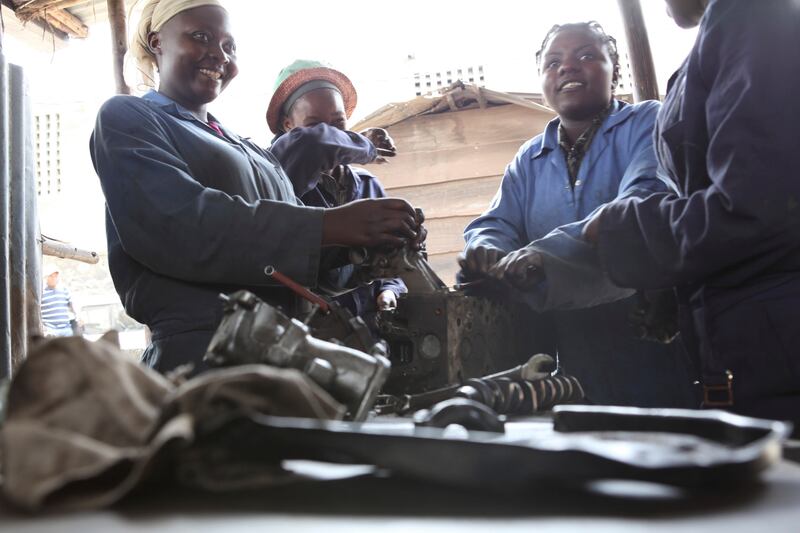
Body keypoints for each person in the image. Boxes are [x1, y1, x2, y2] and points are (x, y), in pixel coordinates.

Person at [90, 0, 423, 374]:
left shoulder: (249, 149)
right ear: (157, 42)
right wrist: (330, 225)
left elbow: (287, 266)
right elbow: (179, 226)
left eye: (229, 47)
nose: (219, 56)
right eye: (201, 37)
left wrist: (365, 252)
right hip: (204, 363)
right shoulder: (128, 118)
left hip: (286, 359)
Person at [583, 0, 800, 422]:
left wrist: (628, 229)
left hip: (779, 356)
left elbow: (756, 207)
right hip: (746, 351)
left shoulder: (754, 17)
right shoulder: (726, 35)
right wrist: (674, 280)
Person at [460, 22, 696, 407]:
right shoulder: (529, 158)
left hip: (648, 337)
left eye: (586, 56)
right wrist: (488, 249)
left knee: (661, 451)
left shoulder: (648, 123)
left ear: (614, 71)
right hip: (565, 352)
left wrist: (541, 260)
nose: (567, 68)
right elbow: (497, 222)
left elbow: (640, 204)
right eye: (553, 63)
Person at [267, 60, 407, 327]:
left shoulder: (368, 186)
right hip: (309, 340)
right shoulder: (279, 175)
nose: (329, 132)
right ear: (287, 125)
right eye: (315, 123)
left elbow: (394, 260)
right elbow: (313, 144)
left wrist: (389, 289)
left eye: (338, 122)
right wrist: (366, 146)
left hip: (370, 336)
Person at [41, 265, 79, 337]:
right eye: (51, 276)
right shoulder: (41, 292)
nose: (54, 278)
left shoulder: (64, 290)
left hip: (66, 328)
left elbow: (72, 305)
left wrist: (79, 317)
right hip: (50, 330)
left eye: (56, 276)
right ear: (46, 278)